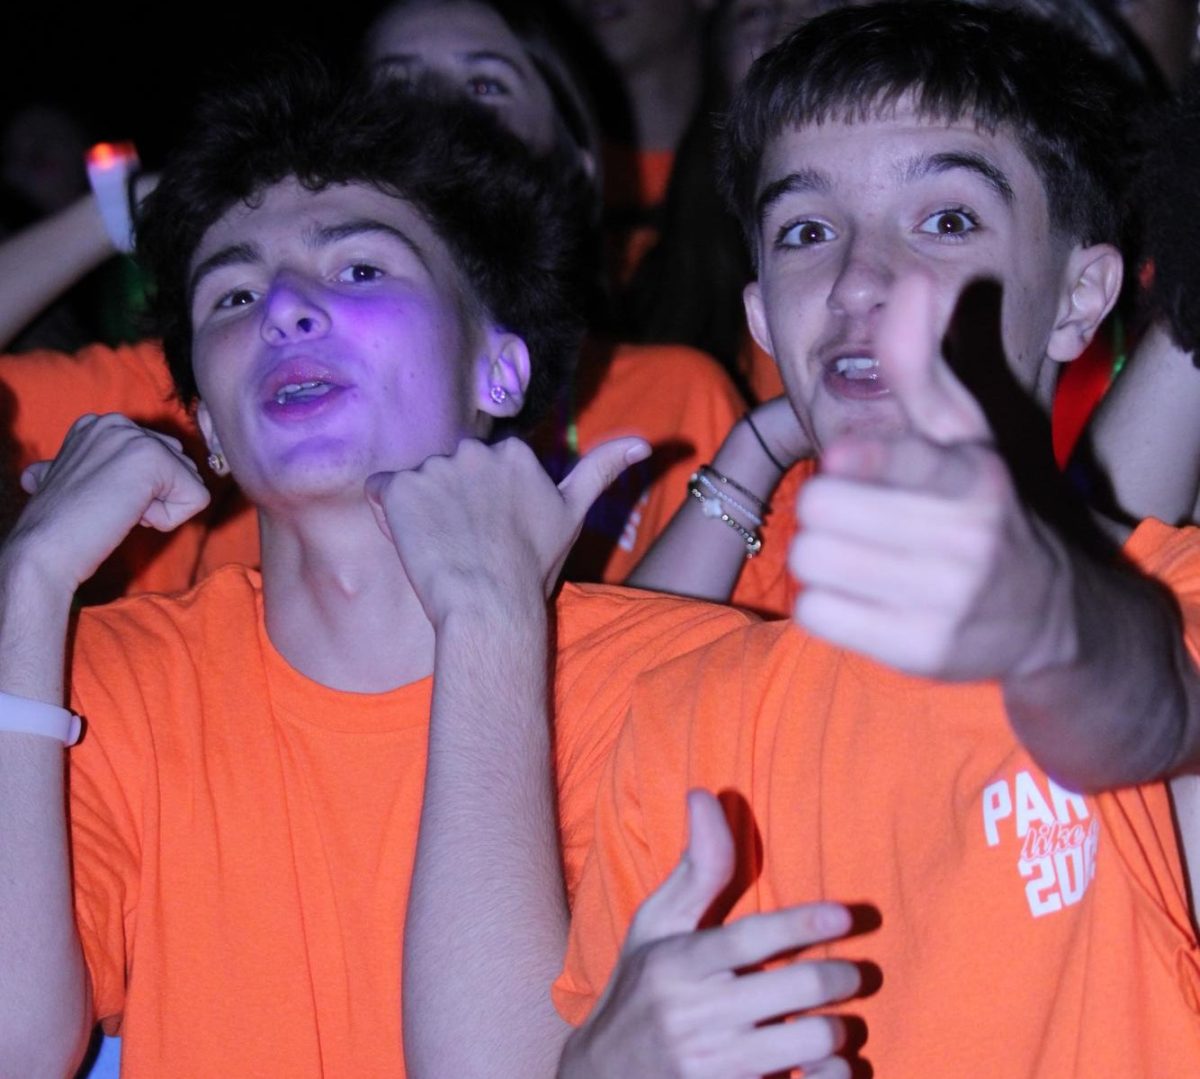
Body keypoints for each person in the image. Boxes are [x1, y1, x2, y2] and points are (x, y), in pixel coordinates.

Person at [0, 57, 792, 1077]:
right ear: (208, 427)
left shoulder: (684, 683)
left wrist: (489, 622)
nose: (282, 307)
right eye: (230, 294)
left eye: (359, 269)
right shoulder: (109, 681)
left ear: (498, 369)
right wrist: (25, 591)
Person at [541, 4, 1200, 1073]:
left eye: (945, 219)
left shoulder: (1167, 606)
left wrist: (1049, 622)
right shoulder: (686, 722)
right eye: (807, 230)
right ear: (762, 317)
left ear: (1081, 295)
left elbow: (1152, 707)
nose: (855, 281)